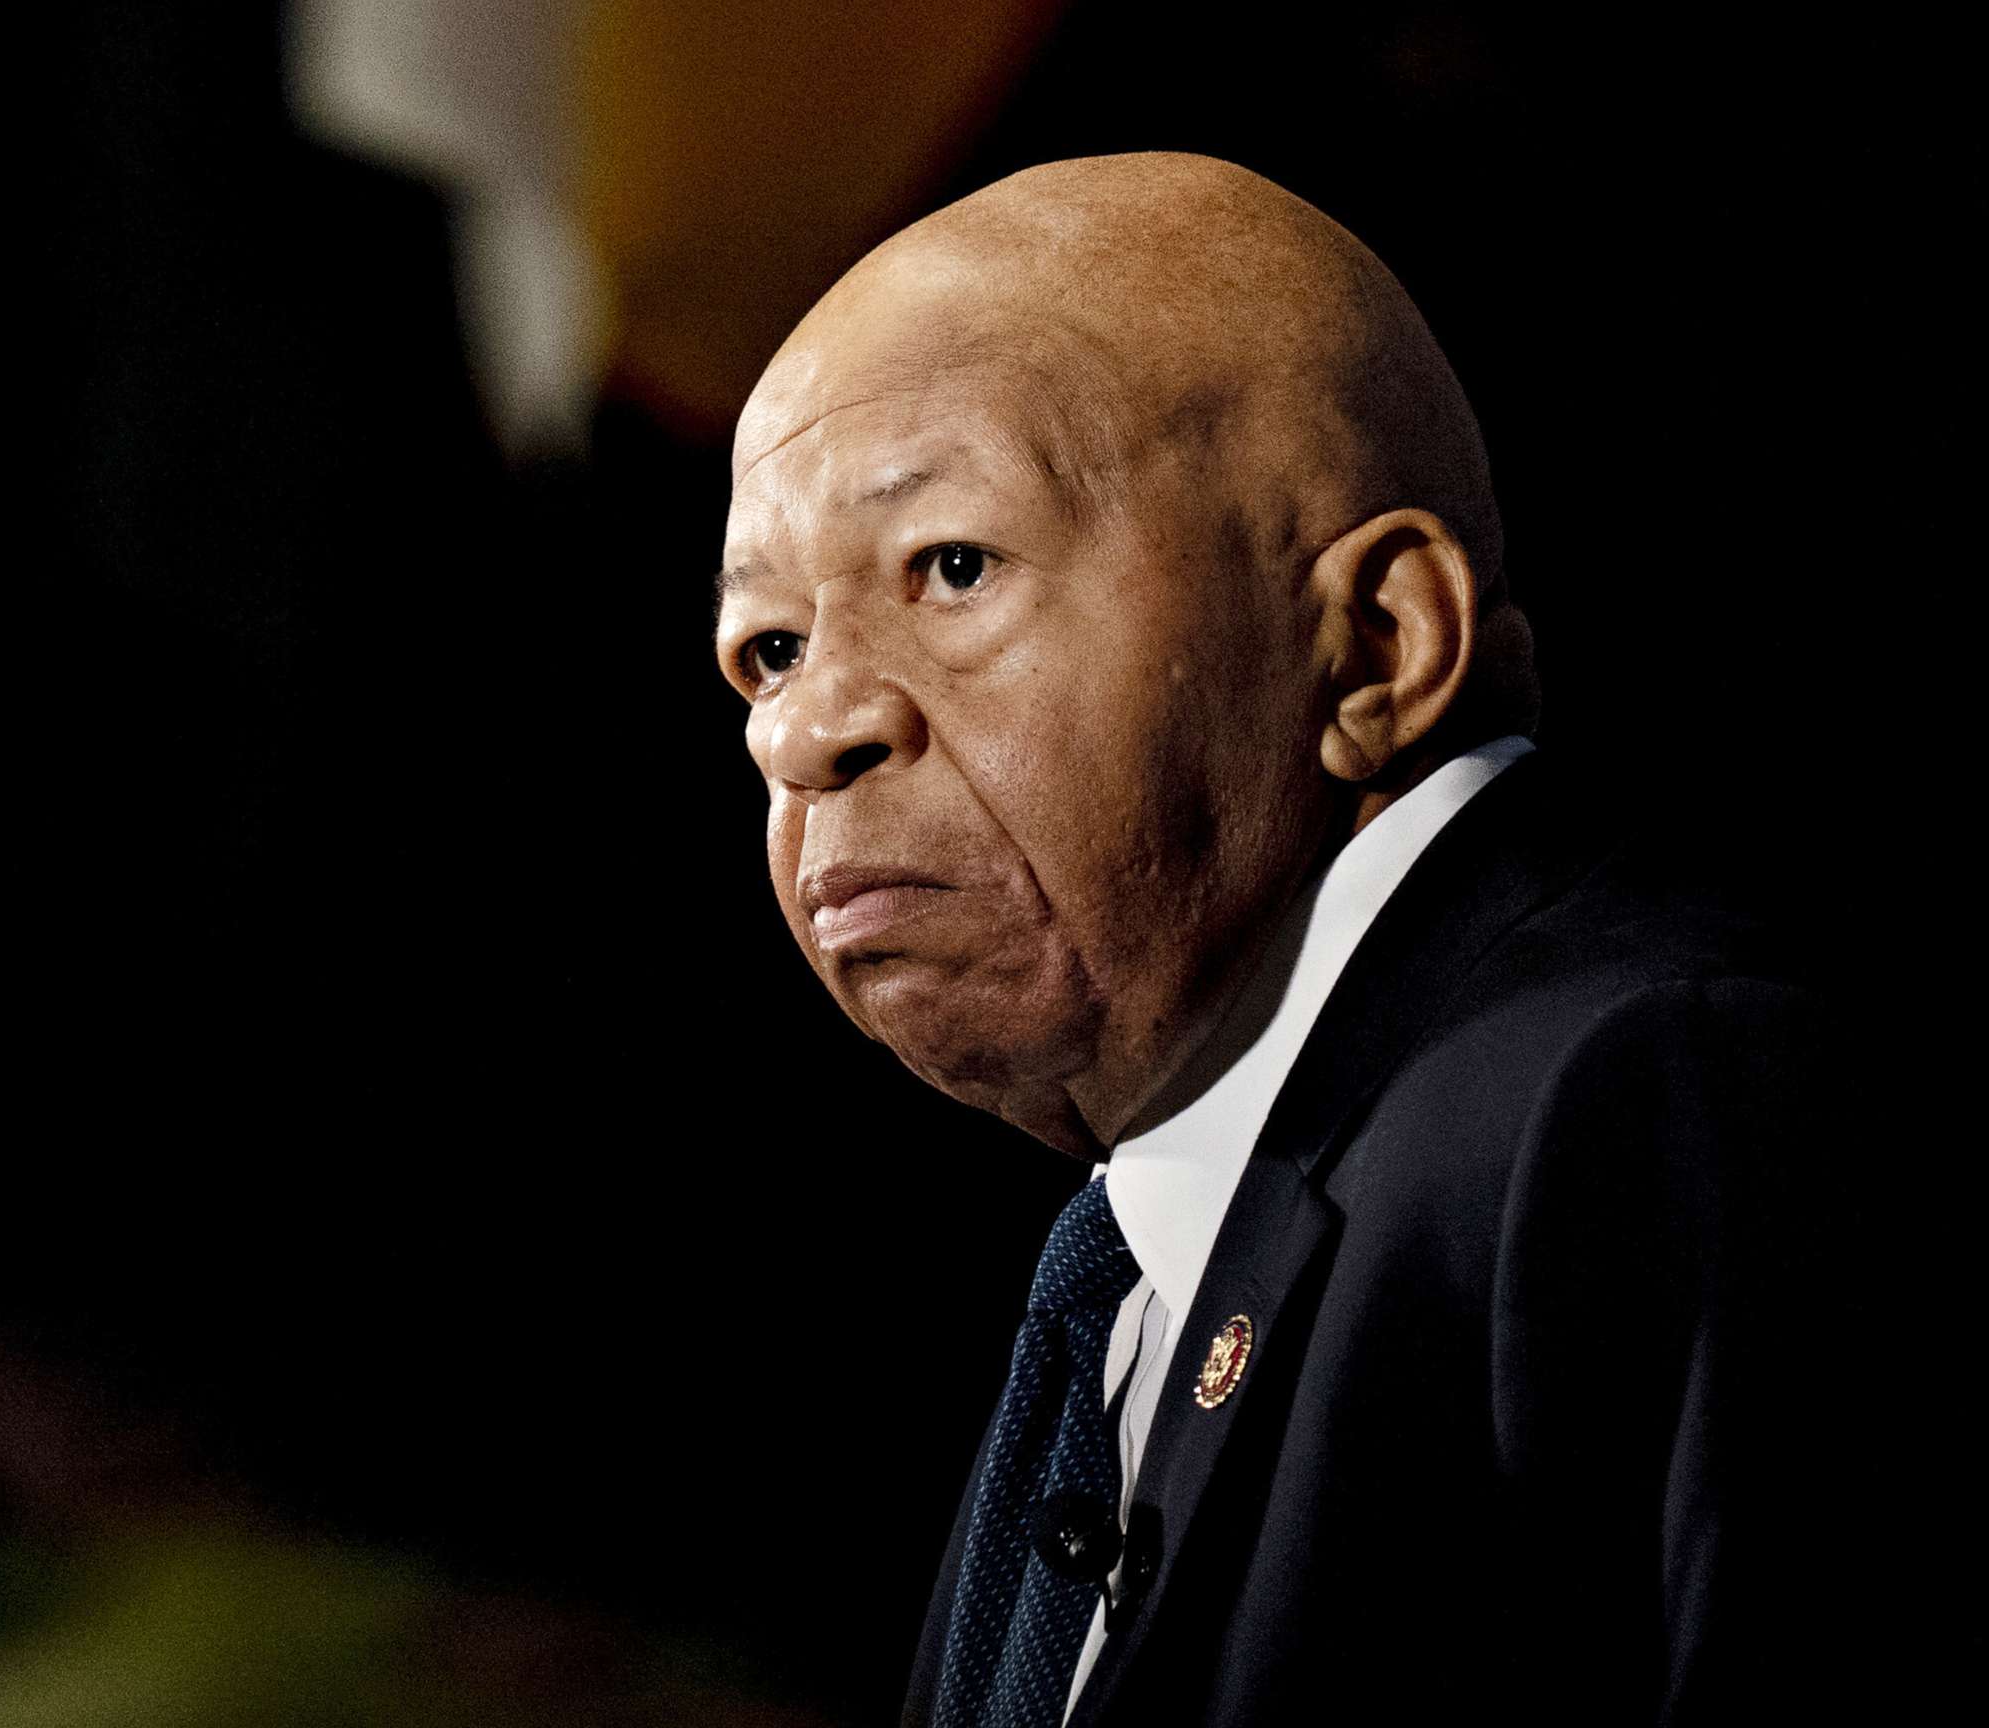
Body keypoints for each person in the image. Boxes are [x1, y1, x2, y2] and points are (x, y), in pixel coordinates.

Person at [712, 153, 1871, 1726]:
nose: (810, 728)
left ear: (1380, 642)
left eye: (955, 567)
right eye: (769, 648)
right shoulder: (1137, 1263)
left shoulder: (1643, 1096)